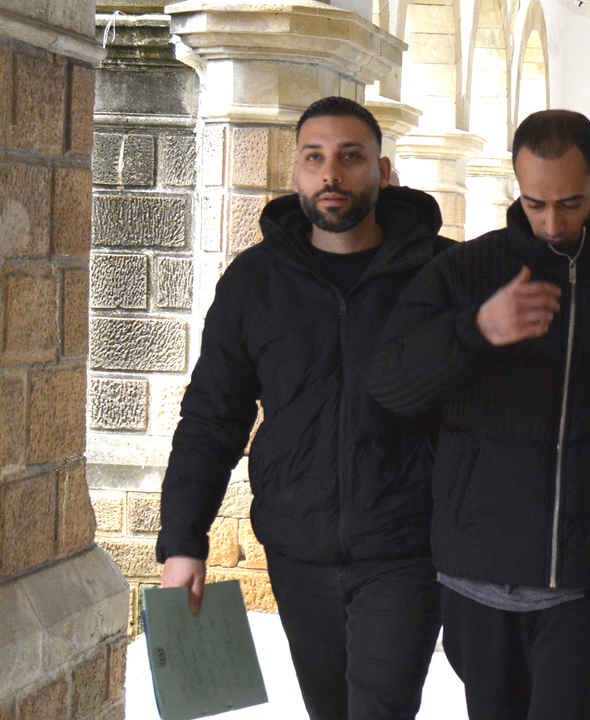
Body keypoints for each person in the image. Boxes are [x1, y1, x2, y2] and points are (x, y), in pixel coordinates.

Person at [367, 109, 590, 720]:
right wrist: (477, 330)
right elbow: (392, 385)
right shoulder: (465, 271)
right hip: (478, 560)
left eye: (570, 203)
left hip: (586, 561)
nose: (552, 223)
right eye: (535, 204)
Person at [156, 97, 454, 720]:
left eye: (351, 157)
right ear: (295, 172)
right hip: (297, 547)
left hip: (407, 545)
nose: (331, 174)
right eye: (314, 157)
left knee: (379, 709)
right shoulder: (254, 282)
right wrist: (183, 540)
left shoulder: (441, 273)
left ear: (383, 172)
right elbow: (212, 418)